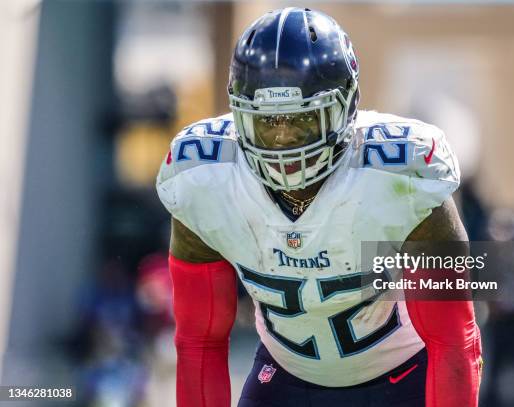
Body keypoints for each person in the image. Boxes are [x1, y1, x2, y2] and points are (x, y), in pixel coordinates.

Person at [156, 8, 482, 407]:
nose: (284, 143)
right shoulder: (204, 179)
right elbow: (199, 341)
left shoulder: (401, 177)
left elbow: (453, 339)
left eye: (303, 121)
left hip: (402, 380)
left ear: (346, 107)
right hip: (287, 380)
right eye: (267, 124)